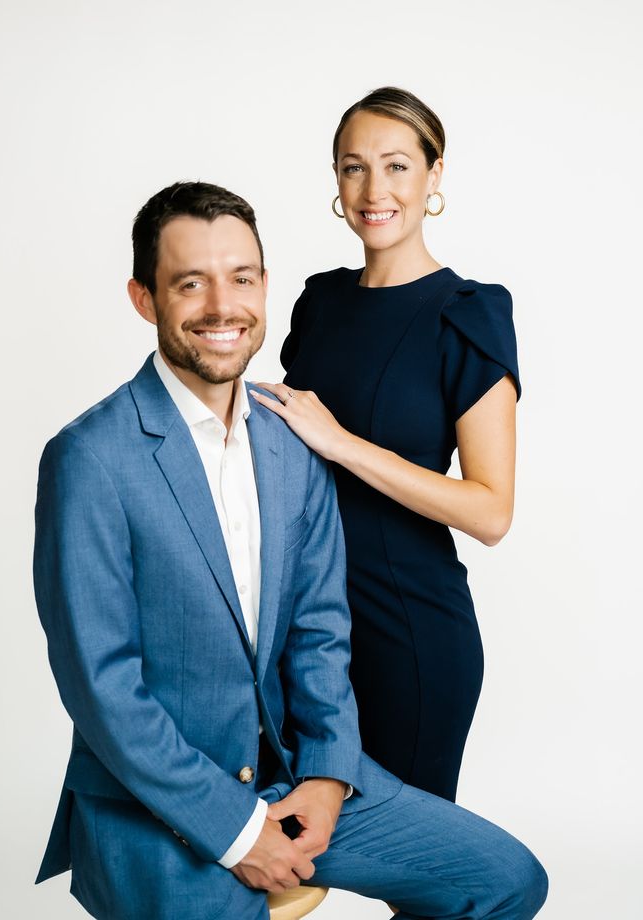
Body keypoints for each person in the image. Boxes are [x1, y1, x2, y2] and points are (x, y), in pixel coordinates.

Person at [33, 180, 546, 920]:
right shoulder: (90, 458)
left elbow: (319, 638)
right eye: (189, 282)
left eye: (241, 278)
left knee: (504, 879)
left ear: (265, 287)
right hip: (156, 801)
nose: (221, 305)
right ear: (144, 298)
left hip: (291, 778)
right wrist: (240, 834)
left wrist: (330, 775)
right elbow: (103, 688)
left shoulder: (291, 444)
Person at [253, 87, 520, 803]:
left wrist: (343, 444)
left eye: (398, 166)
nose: (375, 190)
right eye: (354, 167)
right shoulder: (320, 301)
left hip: (408, 634)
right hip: (303, 634)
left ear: (435, 177)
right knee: (276, 853)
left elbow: (492, 512)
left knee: (419, 878)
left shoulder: (468, 314)